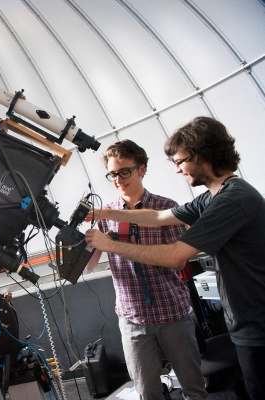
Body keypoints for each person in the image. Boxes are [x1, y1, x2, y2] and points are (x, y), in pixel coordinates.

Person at [86, 117, 265, 400]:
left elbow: (174, 256)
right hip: (245, 323)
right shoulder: (212, 197)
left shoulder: (234, 199)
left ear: (202, 155)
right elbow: (157, 217)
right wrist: (105, 214)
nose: (178, 169)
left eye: (180, 161)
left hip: (258, 326)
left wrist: (111, 245)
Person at [96, 140, 206, 400]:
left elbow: (179, 261)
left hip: (173, 314)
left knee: (194, 390)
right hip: (132, 320)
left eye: (125, 171)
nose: (118, 179)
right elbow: (86, 264)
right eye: (113, 174)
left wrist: (116, 246)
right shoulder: (105, 215)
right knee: (148, 394)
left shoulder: (167, 208)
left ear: (142, 169)